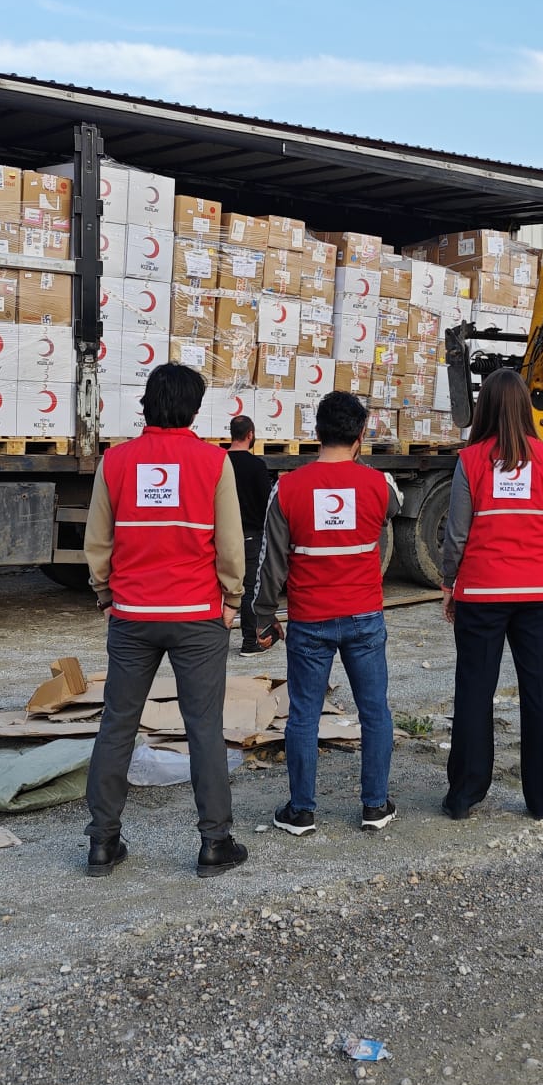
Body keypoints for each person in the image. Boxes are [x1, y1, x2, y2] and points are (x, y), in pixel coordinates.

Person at [82, 362, 248, 880]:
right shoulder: (214, 462)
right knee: (204, 729)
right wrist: (232, 599)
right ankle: (214, 843)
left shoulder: (115, 461)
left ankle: (102, 843)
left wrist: (105, 593)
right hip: (197, 616)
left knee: (117, 724)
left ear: (146, 405)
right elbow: (230, 543)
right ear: (194, 410)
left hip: (132, 615)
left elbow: (98, 539)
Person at [247, 392, 396, 835]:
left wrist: (263, 614)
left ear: (316, 432)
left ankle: (302, 811)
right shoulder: (379, 485)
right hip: (364, 616)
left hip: (310, 620)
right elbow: (394, 508)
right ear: (361, 434)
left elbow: (271, 563)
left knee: (304, 715)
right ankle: (375, 806)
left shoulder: (288, 488)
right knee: (375, 712)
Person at [439, 366, 543, 822]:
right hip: (538, 593)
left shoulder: (470, 460)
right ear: (524, 408)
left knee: (474, 691)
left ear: (484, 409)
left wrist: (449, 583)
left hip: (482, 593)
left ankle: (465, 795)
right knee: (539, 692)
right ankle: (541, 800)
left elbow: (457, 534)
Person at [224, 414, 275, 656]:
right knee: (248, 589)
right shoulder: (257, 466)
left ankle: (214, 645)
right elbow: (267, 503)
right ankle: (250, 642)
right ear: (250, 435)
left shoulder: (218, 462)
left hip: (220, 536)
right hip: (249, 536)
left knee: (219, 588)